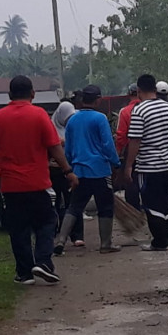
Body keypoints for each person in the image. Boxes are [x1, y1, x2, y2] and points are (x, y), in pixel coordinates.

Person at [0, 75, 78, 285]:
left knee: (18, 229)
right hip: (37, 183)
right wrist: (67, 170)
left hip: (11, 186)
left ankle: (24, 273)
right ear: (32, 94)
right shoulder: (39, 115)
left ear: (9, 95)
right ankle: (43, 262)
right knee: (47, 222)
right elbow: (54, 147)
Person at [55, 84, 122, 255]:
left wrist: (69, 168)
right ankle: (105, 244)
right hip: (100, 170)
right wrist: (116, 163)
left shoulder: (73, 121)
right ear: (98, 99)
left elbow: (68, 148)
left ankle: (61, 240)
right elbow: (108, 144)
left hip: (79, 171)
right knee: (105, 207)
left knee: (74, 206)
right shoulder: (100, 119)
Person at [125, 74, 168, 251]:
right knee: (166, 199)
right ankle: (165, 235)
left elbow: (135, 141)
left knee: (150, 203)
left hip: (148, 166)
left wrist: (128, 165)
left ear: (139, 91)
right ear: (155, 89)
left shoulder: (139, 110)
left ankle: (159, 241)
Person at [51, 100, 85, 247]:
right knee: (56, 202)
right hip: (54, 169)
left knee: (74, 201)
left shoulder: (76, 122)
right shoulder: (50, 126)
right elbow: (50, 144)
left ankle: (77, 236)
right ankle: (57, 232)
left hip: (73, 168)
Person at [115, 83, 141, 208]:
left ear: (129, 95)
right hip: (149, 153)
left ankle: (133, 208)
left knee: (130, 181)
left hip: (130, 152)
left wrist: (118, 153)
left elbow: (121, 136)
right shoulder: (147, 109)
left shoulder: (125, 112)